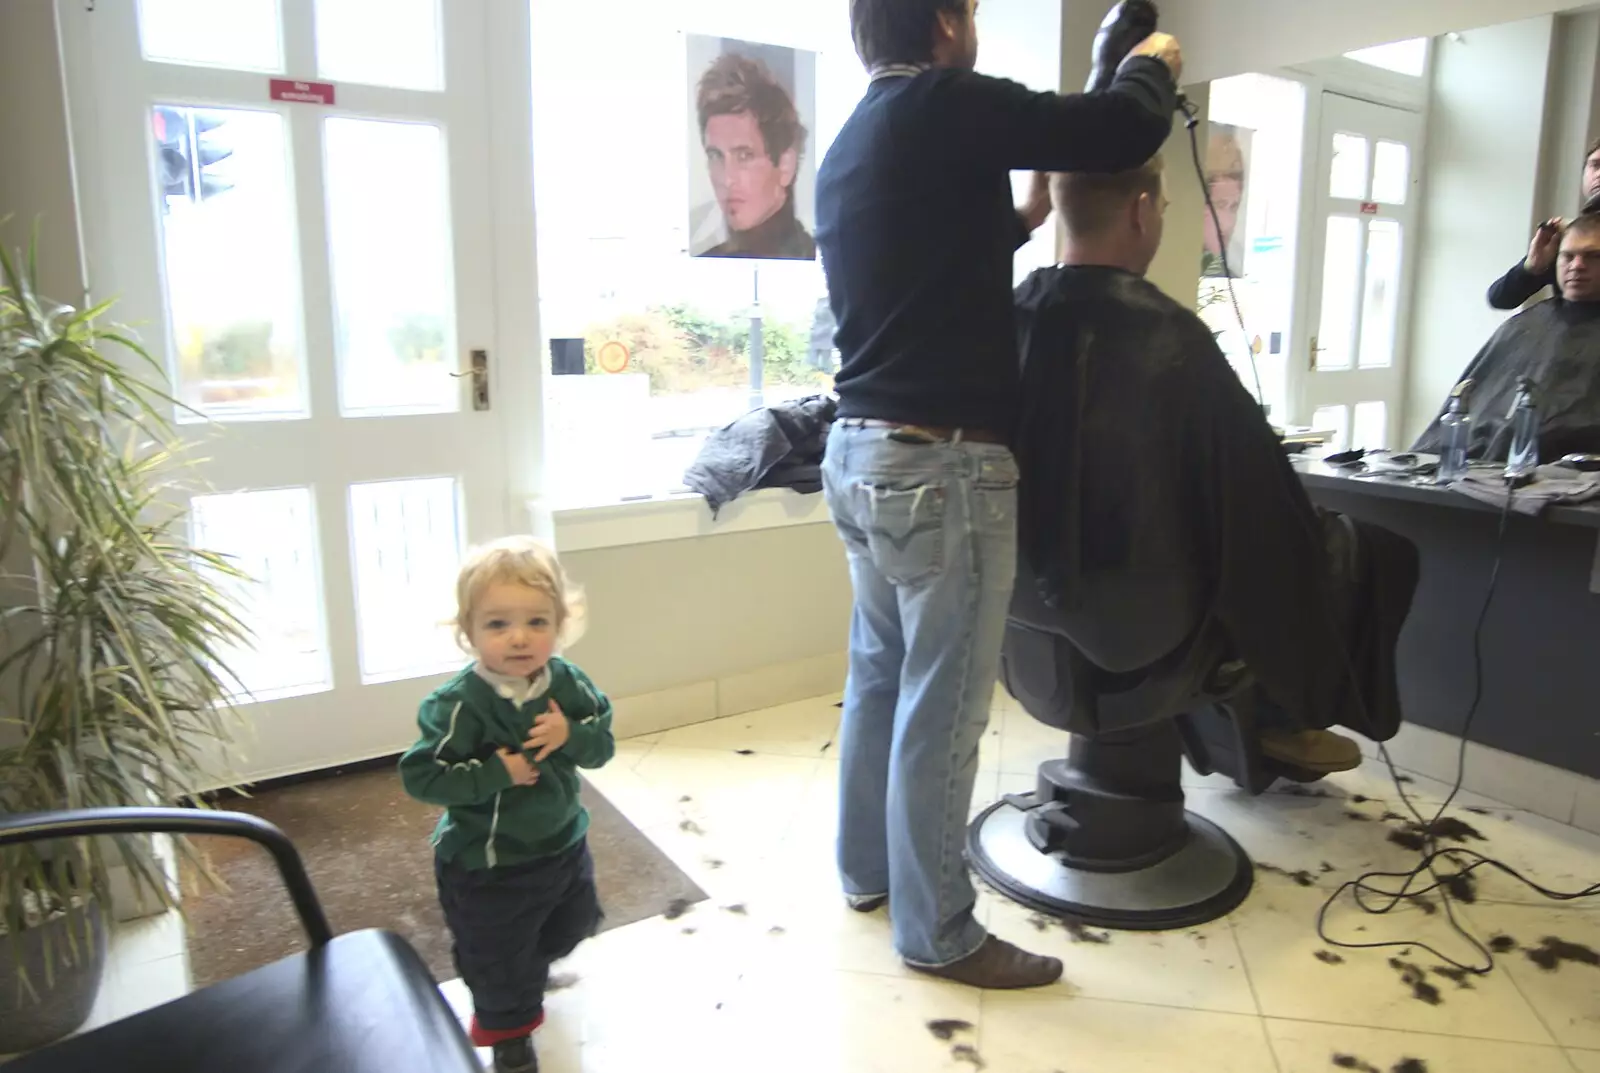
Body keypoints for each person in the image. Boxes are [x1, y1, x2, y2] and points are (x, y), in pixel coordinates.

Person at [815, 0, 1181, 990]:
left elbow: (938, 268)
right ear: (942, 23)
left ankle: (868, 873)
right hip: (941, 468)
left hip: (860, 455)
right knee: (941, 710)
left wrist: (1017, 218)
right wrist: (1150, 60)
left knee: (883, 681)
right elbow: (1120, 128)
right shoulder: (942, 100)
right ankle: (939, 933)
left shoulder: (856, 137)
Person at [1012, 158, 1419, 777]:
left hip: (1014, 607)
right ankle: (1288, 714)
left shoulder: (1006, 318)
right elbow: (1259, 497)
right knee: (1357, 551)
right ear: (1141, 210)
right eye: (1167, 211)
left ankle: (1268, 722)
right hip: (1138, 629)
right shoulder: (1170, 339)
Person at [399, 537, 615, 1073]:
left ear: (560, 624)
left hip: (563, 844)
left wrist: (570, 735)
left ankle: (524, 971)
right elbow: (423, 777)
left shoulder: (569, 684)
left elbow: (603, 745)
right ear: (467, 632)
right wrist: (499, 772)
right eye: (497, 624)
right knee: (497, 958)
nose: (519, 638)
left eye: (537, 622)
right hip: (489, 865)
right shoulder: (456, 705)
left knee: (573, 923)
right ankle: (509, 1036)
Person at [1419, 212, 1600, 462]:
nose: (1577, 265)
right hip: (1483, 465)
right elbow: (1499, 297)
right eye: (1567, 256)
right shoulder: (1528, 325)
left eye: (1593, 257)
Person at [695, 52, 816, 260]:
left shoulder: (822, 260)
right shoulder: (707, 259)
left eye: (744, 156)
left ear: (786, 164)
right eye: (716, 156)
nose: (727, 179)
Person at [1487, 138, 1600, 309]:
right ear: (1583, 174)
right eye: (1595, 165)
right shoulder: (1568, 238)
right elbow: (1500, 299)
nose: (1599, 174)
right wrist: (1531, 267)